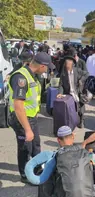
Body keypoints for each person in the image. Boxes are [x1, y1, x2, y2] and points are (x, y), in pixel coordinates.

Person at [8, 52, 54, 184]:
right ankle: (25, 174)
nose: (47, 70)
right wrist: (27, 129)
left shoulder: (32, 75)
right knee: (25, 147)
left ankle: (38, 169)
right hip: (21, 118)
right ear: (41, 66)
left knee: (35, 145)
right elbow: (18, 106)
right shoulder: (21, 77)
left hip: (31, 117)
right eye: (47, 67)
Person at [57, 55, 89, 128]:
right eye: (66, 65)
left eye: (68, 65)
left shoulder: (77, 70)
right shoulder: (64, 73)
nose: (66, 67)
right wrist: (60, 93)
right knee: (70, 109)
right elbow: (61, 84)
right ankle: (70, 122)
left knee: (81, 108)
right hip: (68, 93)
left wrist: (81, 80)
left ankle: (81, 120)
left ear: (72, 65)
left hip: (77, 92)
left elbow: (87, 73)